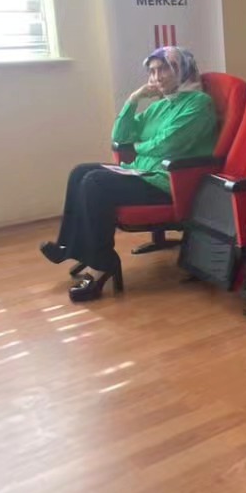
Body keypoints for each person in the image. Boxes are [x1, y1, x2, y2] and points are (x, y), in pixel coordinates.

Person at [41, 46, 217, 302]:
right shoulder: (162, 105)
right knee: (81, 172)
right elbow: (120, 136)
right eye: (152, 71)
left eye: (163, 69)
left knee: (95, 183)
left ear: (182, 70)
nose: (156, 77)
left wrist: (136, 148)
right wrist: (134, 99)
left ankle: (102, 264)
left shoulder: (199, 104)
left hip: (169, 183)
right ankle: (69, 246)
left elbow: (168, 144)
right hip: (142, 173)